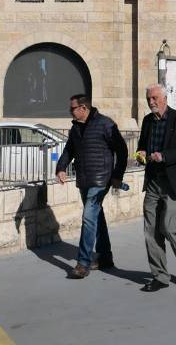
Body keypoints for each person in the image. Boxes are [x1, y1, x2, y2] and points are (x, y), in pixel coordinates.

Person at [54, 93, 129, 279]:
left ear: (83, 108)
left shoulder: (105, 124)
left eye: (72, 108)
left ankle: (83, 263)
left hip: (101, 180)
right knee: (97, 218)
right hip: (84, 180)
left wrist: (117, 175)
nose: (70, 111)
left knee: (88, 217)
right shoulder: (76, 128)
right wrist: (61, 168)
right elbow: (69, 150)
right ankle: (105, 257)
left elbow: (122, 149)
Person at [136, 83, 176, 293]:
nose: (151, 102)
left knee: (169, 225)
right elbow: (142, 145)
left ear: (164, 98)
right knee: (151, 230)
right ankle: (160, 276)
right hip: (153, 181)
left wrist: (164, 156)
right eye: (148, 99)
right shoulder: (147, 121)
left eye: (154, 98)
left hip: (173, 182)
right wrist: (142, 153)